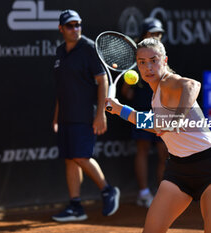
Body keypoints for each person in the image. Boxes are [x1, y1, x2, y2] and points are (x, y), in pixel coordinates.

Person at [106, 38, 211, 233]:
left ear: (164, 61)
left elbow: (192, 85)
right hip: (178, 170)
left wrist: (177, 117)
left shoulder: (168, 82)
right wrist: (119, 110)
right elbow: (156, 126)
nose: (148, 67)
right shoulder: (155, 94)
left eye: (153, 60)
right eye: (142, 62)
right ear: (137, 66)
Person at [51, 9, 120, 222]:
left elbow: (102, 81)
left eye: (78, 24)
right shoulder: (60, 51)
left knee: (81, 156)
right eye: (70, 25)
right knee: (70, 160)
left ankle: (108, 190)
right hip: (65, 115)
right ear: (61, 29)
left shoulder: (89, 48)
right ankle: (76, 206)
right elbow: (61, 88)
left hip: (84, 115)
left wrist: (101, 115)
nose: (75, 29)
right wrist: (56, 116)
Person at [121, 17, 168, 208]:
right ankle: (143, 193)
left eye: (159, 33)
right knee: (143, 149)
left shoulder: (162, 56)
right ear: (144, 34)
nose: (157, 36)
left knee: (164, 153)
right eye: (153, 33)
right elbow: (126, 90)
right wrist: (133, 92)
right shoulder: (138, 58)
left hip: (162, 111)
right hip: (143, 111)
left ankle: (163, 194)